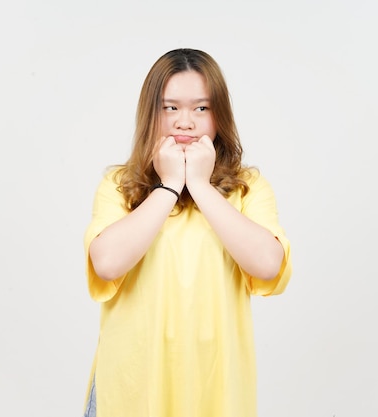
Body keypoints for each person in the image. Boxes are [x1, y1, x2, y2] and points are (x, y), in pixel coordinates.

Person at [83, 48, 292, 417]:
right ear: (152, 114)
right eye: (170, 108)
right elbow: (107, 264)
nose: (185, 122)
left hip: (214, 393)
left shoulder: (247, 189)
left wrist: (201, 186)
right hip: (132, 393)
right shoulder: (119, 186)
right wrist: (167, 187)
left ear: (219, 116)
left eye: (201, 108)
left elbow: (268, 265)